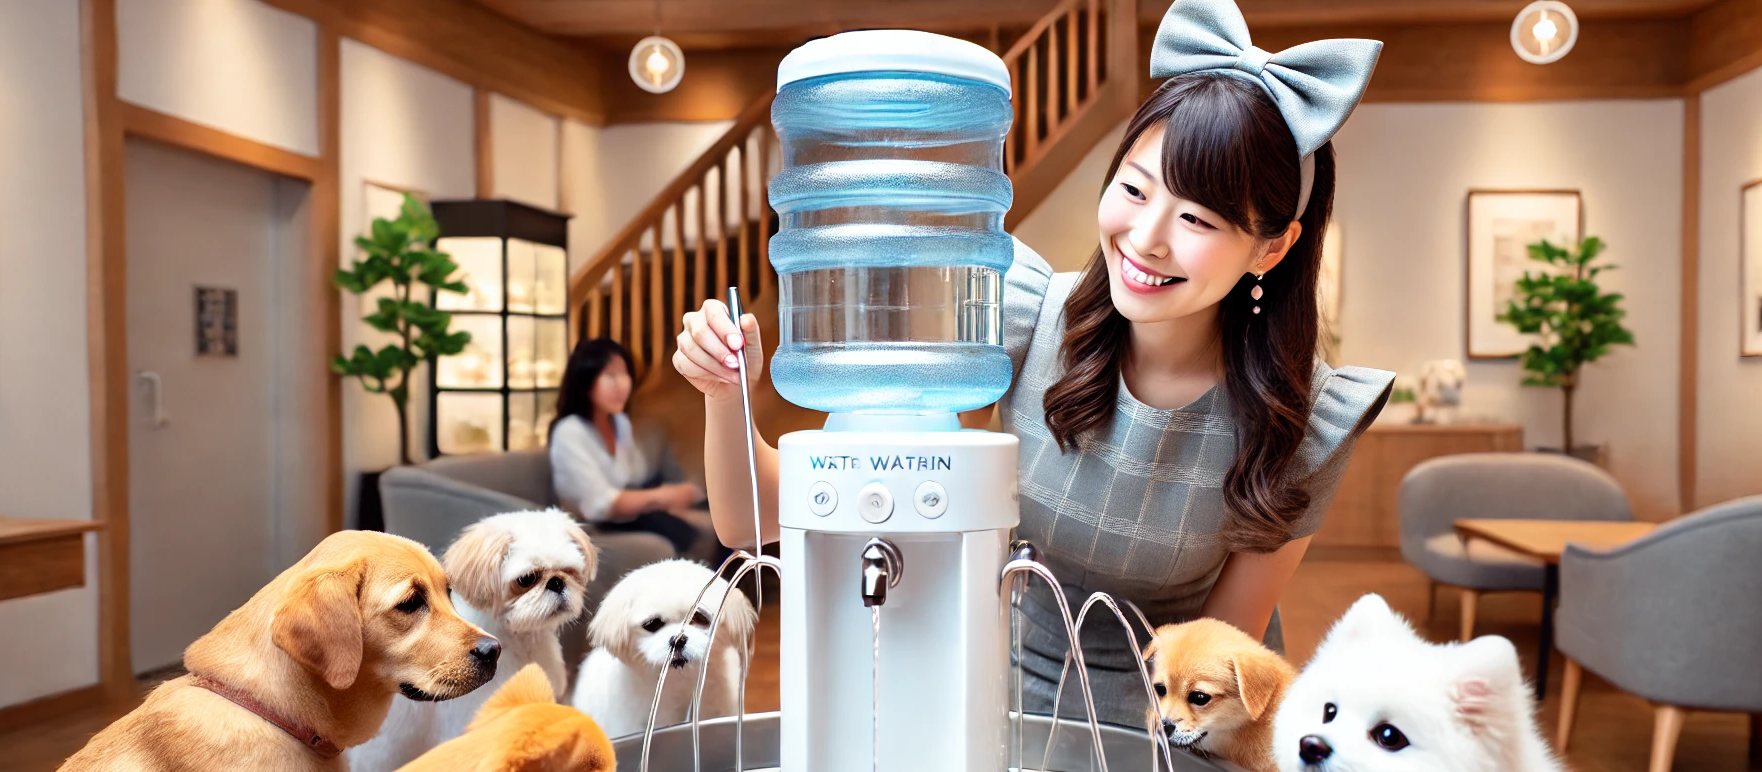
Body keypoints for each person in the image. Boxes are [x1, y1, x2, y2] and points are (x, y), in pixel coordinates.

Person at [673, 0, 1392, 729]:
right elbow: (751, 515)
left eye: (1197, 219)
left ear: (1271, 248)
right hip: (1007, 706)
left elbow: (1216, 663)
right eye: (1135, 190)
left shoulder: (1301, 423)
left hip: (1181, 739)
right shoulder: (1020, 317)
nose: (1146, 238)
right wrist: (723, 391)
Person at [548, 337, 716, 562]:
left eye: (625, 374)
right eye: (610, 375)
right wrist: (662, 497)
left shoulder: (619, 423)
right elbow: (600, 505)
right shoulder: (569, 431)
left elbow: (634, 475)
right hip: (593, 526)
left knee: (714, 520)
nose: (621, 385)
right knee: (685, 533)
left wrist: (677, 492)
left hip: (627, 517)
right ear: (585, 381)